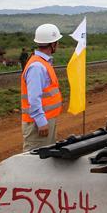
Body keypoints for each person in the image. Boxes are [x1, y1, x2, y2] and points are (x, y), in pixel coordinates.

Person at [20, 23, 63, 151]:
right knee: (34, 161)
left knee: (46, 158)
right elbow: (33, 98)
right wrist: (41, 121)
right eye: (57, 42)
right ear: (52, 44)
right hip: (38, 123)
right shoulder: (37, 67)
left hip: (46, 118)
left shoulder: (42, 62)